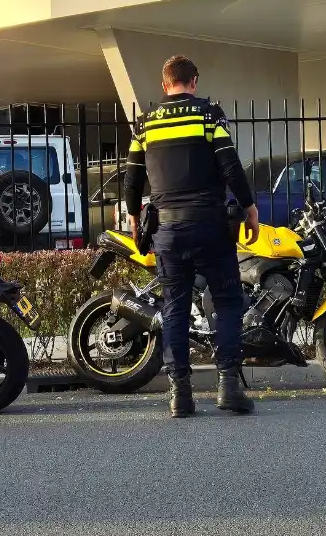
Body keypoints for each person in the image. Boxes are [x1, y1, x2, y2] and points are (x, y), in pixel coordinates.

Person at [122, 55, 260, 418]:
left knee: (175, 308)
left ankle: (180, 395)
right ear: (194, 81)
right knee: (229, 302)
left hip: (166, 229)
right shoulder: (209, 115)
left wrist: (135, 217)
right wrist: (249, 208)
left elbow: (132, 179)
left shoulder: (146, 123)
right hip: (210, 226)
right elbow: (230, 166)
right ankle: (228, 386)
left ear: (164, 84)